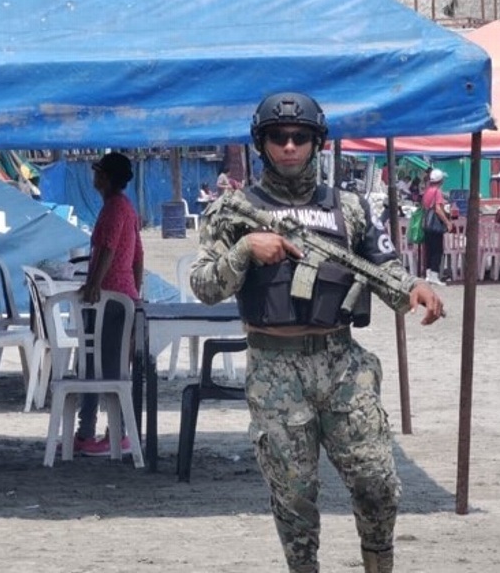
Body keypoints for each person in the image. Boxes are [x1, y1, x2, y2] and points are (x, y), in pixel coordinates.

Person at [190, 92, 444, 573]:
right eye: (279, 138)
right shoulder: (233, 209)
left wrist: (414, 288)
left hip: (342, 363)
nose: (290, 147)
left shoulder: (347, 207)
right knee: (294, 496)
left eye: (300, 138)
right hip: (275, 367)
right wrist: (244, 250)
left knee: (377, 482)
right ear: (262, 144)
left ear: (316, 143)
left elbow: (383, 265)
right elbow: (204, 285)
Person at [75, 151, 144, 457]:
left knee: (103, 366)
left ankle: (111, 432)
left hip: (109, 298)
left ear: (104, 177)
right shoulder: (126, 208)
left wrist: (93, 285)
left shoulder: (115, 208)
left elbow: (107, 248)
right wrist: (135, 293)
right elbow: (138, 257)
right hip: (121, 295)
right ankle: (99, 431)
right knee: (104, 365)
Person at [421, 168, 452, 286]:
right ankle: (434, 274)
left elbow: (425, 206)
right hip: (435, 224)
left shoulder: (427, 190)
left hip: (426, 224)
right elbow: (438, 209)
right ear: (440, 180)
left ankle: (428, 274)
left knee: (429, 249)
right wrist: (447, 222)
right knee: (437, 250)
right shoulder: (437, 192)